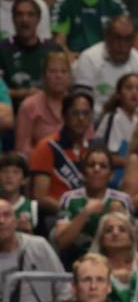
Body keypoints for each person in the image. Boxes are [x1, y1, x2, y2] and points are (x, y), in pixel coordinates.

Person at [51, 147, 130, 265]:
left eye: (103, 166)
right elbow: (62, 242)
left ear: (111, 174)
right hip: (75, 262)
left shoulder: (122, 200)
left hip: (112, 264)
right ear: (83, 172)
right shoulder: (69, 198)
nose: (96, 169)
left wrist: (118, 216)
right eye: (91, 165)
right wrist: (85, 212)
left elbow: (130, 244)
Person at [29, 84, 94, 219]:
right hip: (57, 217)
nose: (81, 118)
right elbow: (40, 197)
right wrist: (76, 213)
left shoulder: (93, 148)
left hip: (89, 215)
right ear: (64, 115)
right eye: (75, 113)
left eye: (86, 113)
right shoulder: (47, 147)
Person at [72, 14, 138, 120]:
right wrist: (110, 118)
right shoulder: (89, 58)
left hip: (133, 122)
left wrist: (128, 119)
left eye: (127, 39)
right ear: (107, 37)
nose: (122, 45)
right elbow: (82, 101)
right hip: (94, 121)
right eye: (117, 38)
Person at [0, 195, 65, 302]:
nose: (1, 221)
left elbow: (64, 290)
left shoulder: (38, 246)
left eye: (6, 215)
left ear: (16, 221)